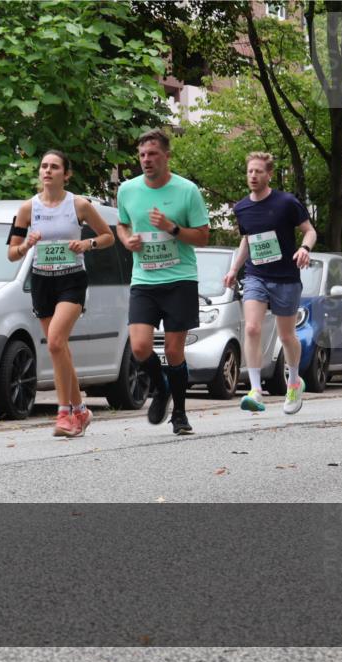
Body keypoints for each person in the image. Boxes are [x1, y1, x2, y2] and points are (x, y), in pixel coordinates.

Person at [8, 150, 115, 437]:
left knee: (55, 342)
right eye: (43, 166)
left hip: (72, 280)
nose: (47, 171)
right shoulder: (27, 209)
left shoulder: (78, 205)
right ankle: (81, 410)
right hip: (43, 281)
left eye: (54, 167)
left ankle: (65, 413)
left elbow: (108, 237)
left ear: (65, 174)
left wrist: (87, 244)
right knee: (59, 348)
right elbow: (11, 253)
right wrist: (26, 245)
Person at [116, 129, 210, 435]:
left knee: (173, 351)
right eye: (142, 155)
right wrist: (125, 239)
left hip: (180, 278)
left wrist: (172, 228)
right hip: (144, 279)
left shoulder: (187, 191)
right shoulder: (128, 190)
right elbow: (122, 222)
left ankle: (180, 414)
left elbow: (203, 237)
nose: (146, 160)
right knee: (141, 347)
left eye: (153, 154)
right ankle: (160, 388)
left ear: (166, 156)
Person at [223, 152, 316, 414]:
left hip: (286, 278)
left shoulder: (287, 202)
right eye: (250, 171)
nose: (253, 176)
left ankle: (294, 381)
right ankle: (255, 391)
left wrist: (304, 248)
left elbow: (310, 230)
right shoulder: (241, 207)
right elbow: (247, 240)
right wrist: (233, 269)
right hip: (256, 276)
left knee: (286, 335)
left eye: (258, 172)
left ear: (269, 174)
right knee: (252, 328)